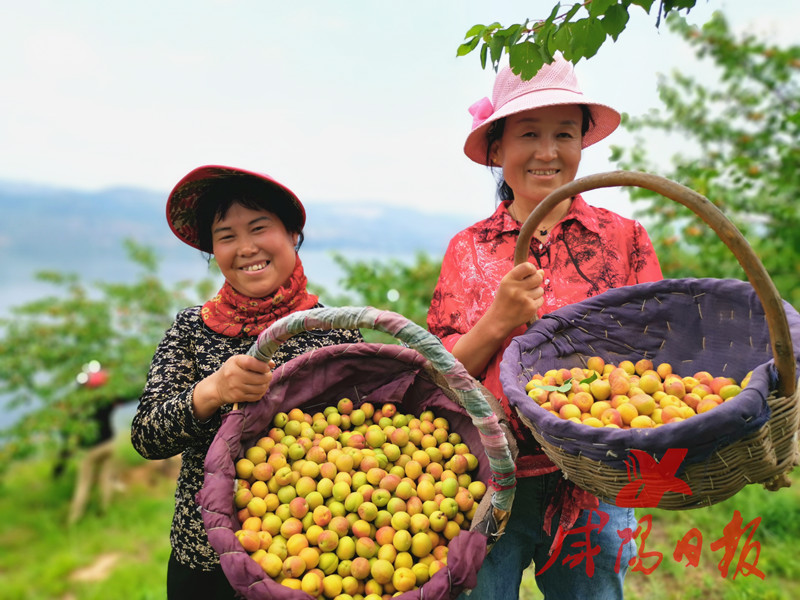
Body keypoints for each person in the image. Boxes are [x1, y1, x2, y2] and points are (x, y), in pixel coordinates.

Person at [427, 56, 663, 599]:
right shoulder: (469, 251)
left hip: (597, 477)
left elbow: (656, 354)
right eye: (528, 133)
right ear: (497, 148)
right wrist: (498, 320)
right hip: (487, 476)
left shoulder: (624, 240)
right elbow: (441, 374)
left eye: (564, 133)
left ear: (583, 142)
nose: (547, 152)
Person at [131, 165, 362, 599]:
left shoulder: (333, 331)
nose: (246, 247)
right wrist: (213, 391)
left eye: (259, 228)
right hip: (205, 560)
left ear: (292, 233)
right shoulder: (191, 330)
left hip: (308, 561)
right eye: (226, 235)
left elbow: (363, 436)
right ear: (213, 251)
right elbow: (147, 437)